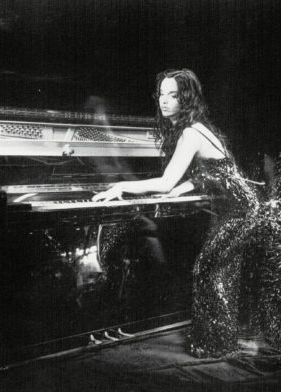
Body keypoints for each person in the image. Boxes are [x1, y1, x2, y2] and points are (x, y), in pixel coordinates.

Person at [92, 68, 259, 357]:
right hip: (235, 207)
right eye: (161, 94)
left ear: (186, 98)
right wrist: (184, 187)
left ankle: (218, 343)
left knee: (208, 271)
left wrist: (121, 185)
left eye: (173, 95)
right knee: (216, 271)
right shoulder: (197, 128)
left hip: (239, 210)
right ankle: (219, 341)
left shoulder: (191, 133)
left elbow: (167, 181)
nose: (164, 100)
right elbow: (215, 172)